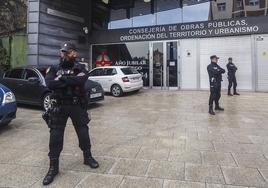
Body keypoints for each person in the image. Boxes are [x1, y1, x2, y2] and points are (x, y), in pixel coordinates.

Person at [42, 42, 99, 186]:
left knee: (83, 133)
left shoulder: (81, 68)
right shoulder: (54, 68)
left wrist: (61, 79)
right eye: (63, 52)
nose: (64, 54)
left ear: (74, 53)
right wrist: (70, 81)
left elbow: (81, 80)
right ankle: (53, 168)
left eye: (68, 52)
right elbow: (49, 84)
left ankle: (88, 157)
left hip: (76, 105)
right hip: (59, 106)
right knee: (55, 136)